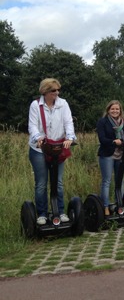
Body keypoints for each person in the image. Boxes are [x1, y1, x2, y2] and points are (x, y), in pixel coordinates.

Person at [28, 78, 76, 225]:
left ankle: (60, 212)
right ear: (45, 91)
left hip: (57, 148)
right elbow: (32, 125)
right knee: (41, 183)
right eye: (53, 90)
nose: (57, 92)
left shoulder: (63, 104)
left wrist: (70, 137)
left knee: (58, 182)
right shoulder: (36, 105)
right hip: (39, 149)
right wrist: (38, 137)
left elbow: (68, 122)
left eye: (58, 90)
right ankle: (42, 214)